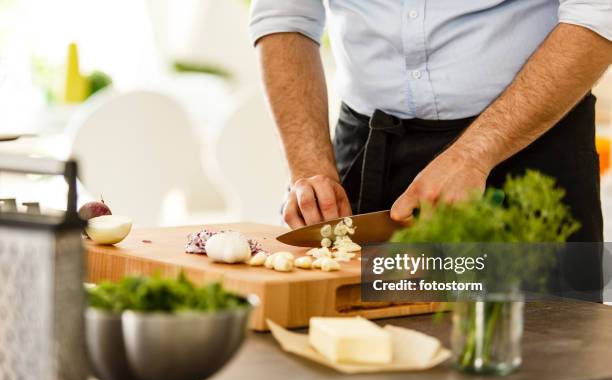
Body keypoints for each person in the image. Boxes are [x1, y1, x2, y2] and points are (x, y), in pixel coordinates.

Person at [249, 1, 612, 299]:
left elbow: (598, 13)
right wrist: (309, 165)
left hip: (531, 150)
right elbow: (284, 16)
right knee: (367, 369)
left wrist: (473, 155)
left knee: (547, 362)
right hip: (370, 159)